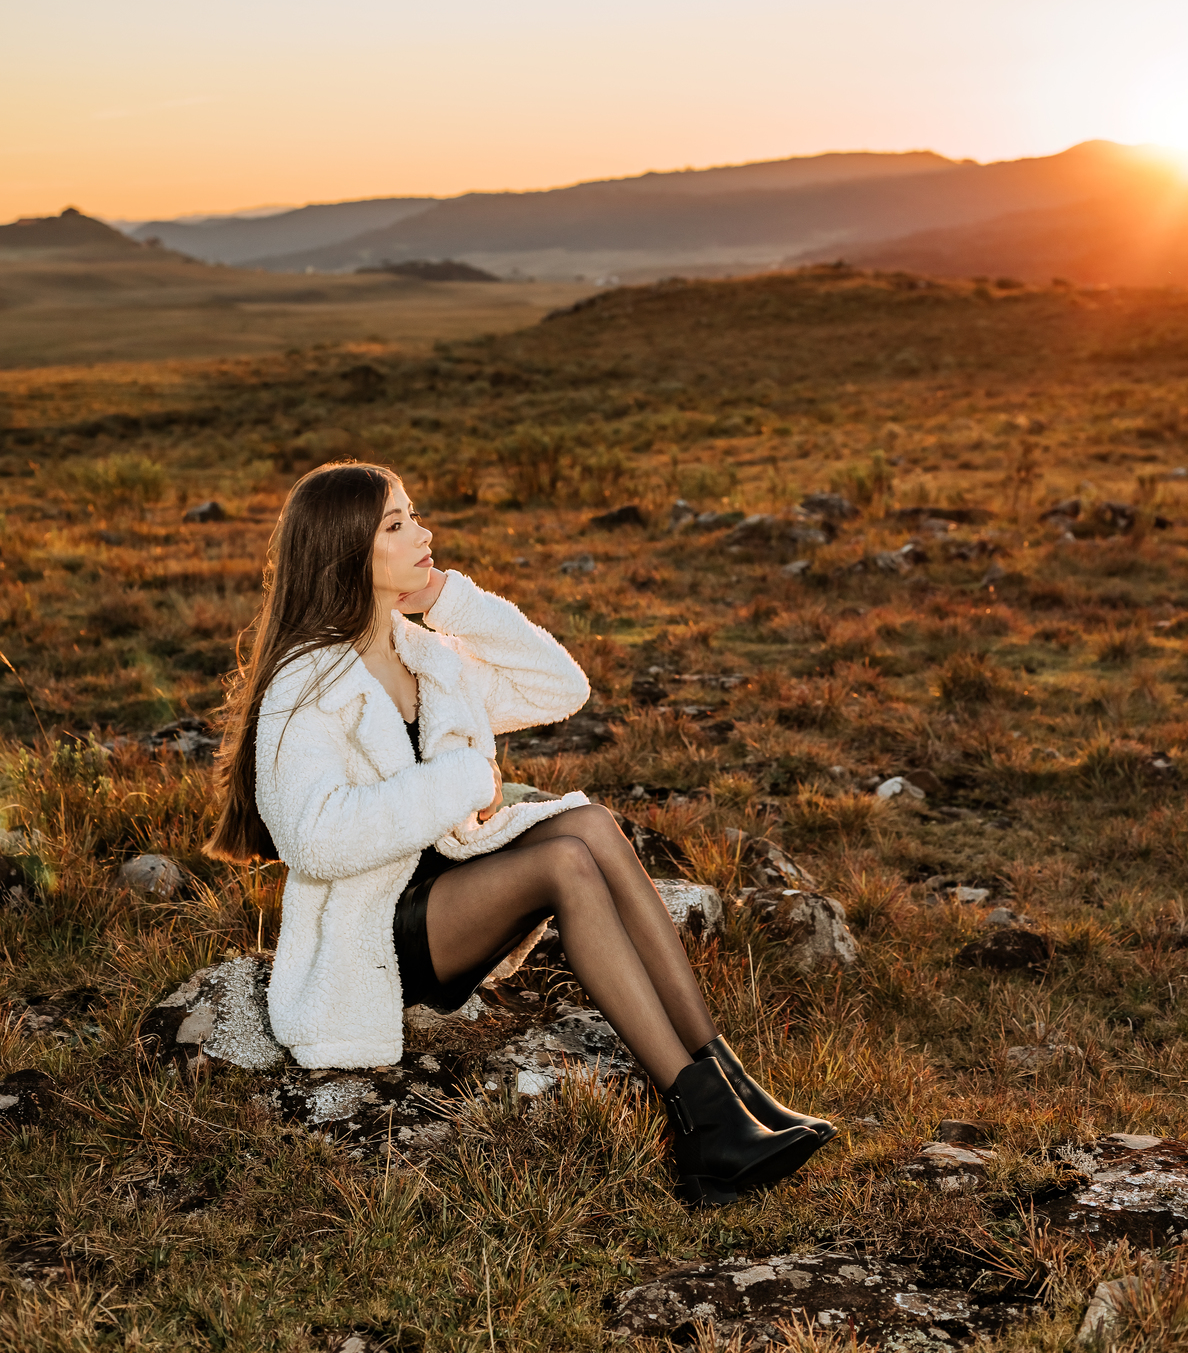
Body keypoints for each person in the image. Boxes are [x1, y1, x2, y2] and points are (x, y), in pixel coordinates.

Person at [207, 460, 835, 1205]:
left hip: (448, 884)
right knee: (564, 864)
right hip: (376, 933)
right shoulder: (306, 683)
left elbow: (561, 687)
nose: (424, 533)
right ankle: (701, 1126)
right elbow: (314, 840)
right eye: (397, 524)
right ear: (346, 550)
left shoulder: (424, 654)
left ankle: (730, 1088)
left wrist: (449, 601)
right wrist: (463, 780)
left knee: (591, 825)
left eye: (415, 515)